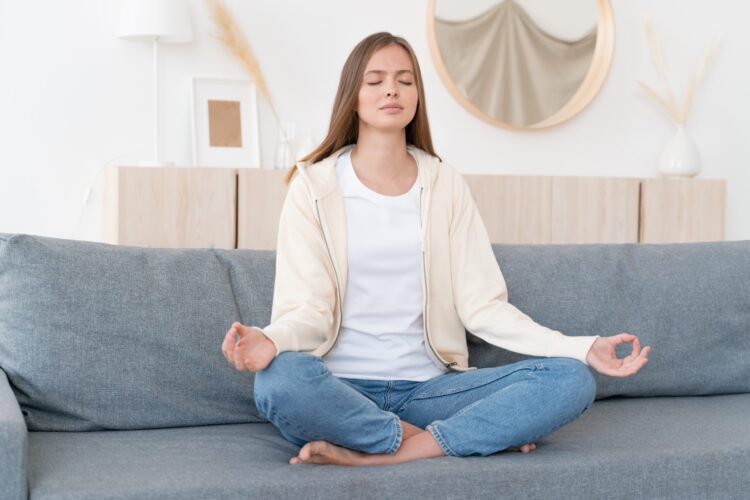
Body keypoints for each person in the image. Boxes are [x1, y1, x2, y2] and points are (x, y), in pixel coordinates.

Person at [220, 32, 651, 467]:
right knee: (278, 381)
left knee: (570, 380)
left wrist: (581, 347)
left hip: (431, 391)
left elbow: (483, 308)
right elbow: (308, 313)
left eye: (405, 80)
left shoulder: (445, 185)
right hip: (338, 388)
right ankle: (434, 438)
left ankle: (386, 451)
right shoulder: (313, 188)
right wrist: (270, 340)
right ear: (353, 97)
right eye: (376, 80)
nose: (392, 89)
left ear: (417, 96)